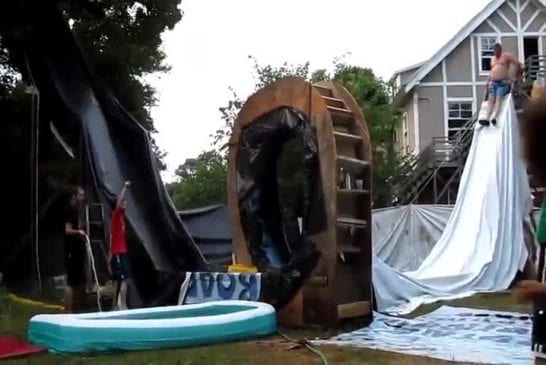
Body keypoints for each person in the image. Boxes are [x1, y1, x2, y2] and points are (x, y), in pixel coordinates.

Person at [478, 43, 522, 127]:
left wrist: (514, 76)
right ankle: (487, 118)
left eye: (497, 51)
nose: (496, 53)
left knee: (498, 98)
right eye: (494, 51)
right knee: (491, 100)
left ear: (500, 50)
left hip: (503, 82)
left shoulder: (506, 56)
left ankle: (494, 117)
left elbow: (517, 63)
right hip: (493, 82)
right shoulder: (493, 59)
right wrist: (488, 81)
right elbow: (492, 71)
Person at [63, 185, 87, 313]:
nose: (82, 198)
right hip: (71, 252)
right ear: (74, 196)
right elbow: (67, 230)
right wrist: (78, 232)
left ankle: (77, 310)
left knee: (79, 282)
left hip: (77, 252)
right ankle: (68, 311)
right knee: (71, 283)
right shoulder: (70, 210)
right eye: (80, 195)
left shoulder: (76, 210)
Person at [109, 181, 131, 310]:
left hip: (121, 251)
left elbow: (113, 237)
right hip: (118, 252)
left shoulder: (122, 217)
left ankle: (118, 304)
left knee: (123, 279)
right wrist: (125, 187)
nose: (125, 203)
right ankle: (122, 305)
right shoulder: (116, 215)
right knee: (123, 279)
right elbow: (119, 201)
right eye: (123, 202)